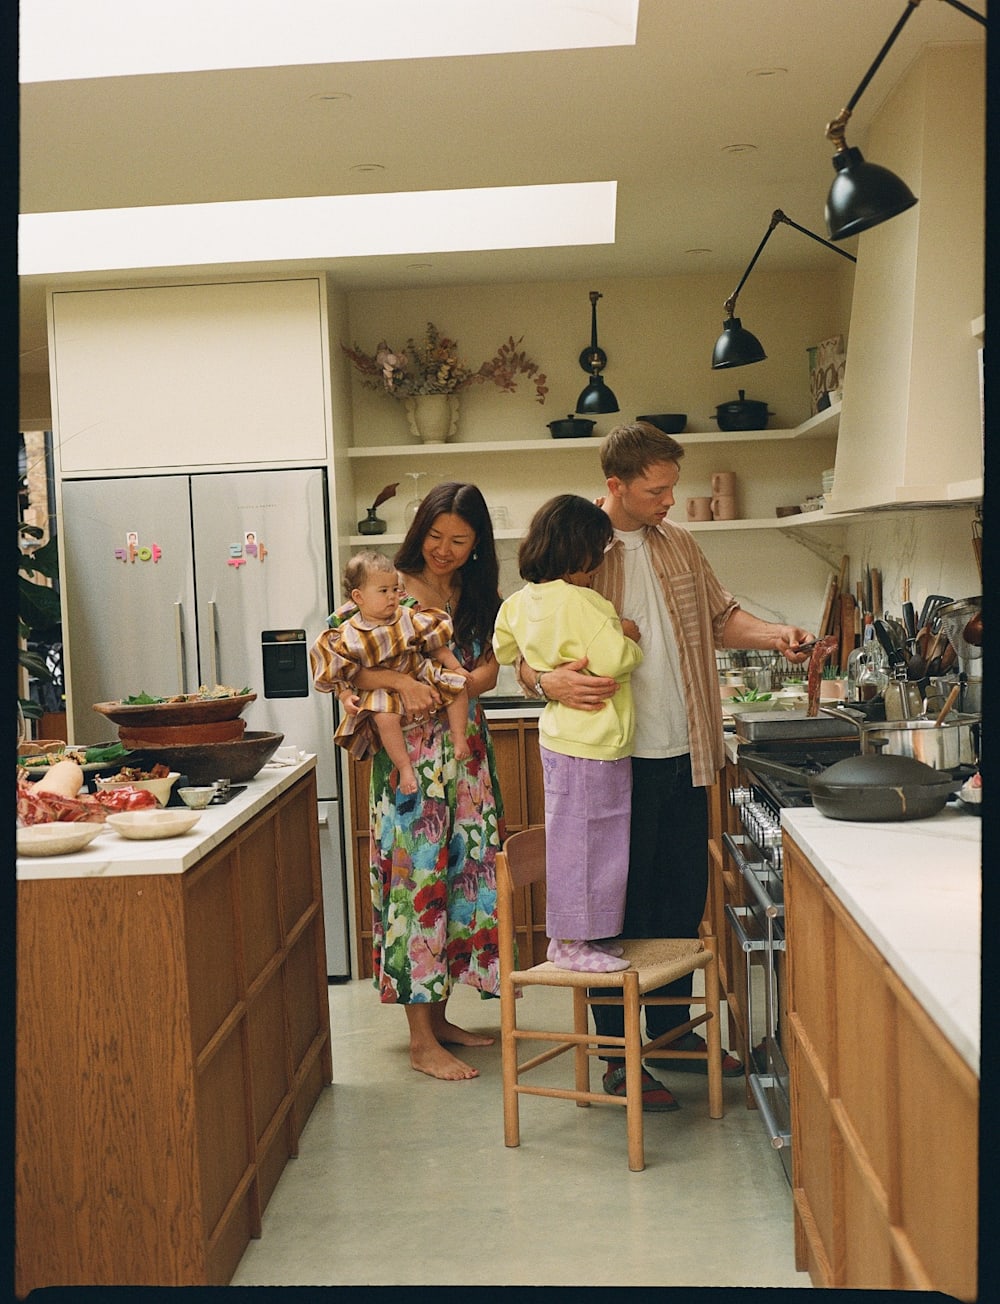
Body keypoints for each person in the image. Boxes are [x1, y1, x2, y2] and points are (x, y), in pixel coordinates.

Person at [518, 422, 814, 1111]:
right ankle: (622, 1060)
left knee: (679, 903)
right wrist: (546, 682)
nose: (670, 501)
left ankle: (673, 1035)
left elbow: (720, 619)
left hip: (685, 750)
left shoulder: (678, 542)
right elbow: (527, 647)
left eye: (673, 487)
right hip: (609, 759)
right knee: (613, 913)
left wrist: (777, 634)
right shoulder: (577, 547)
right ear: (615, 485)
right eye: (656, 490)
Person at [311, 482, 505, 1082]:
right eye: (435, 536)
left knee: (459, 880)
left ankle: (441, 1019)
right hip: (410, 760)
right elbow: (336, 661)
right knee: (415, 885)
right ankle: (420, 1040)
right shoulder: (383, 587)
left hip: (467, 754)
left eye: (459, 540)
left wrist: (462, 683)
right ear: (419, 531)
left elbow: (491, 664)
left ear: (477, 546)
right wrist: (400, 684)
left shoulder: (476, 594)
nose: (444, 550)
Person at [493, 494, 643, 973]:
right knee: (591, 843)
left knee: (578, 838)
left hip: (561, 738)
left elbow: (502, 650)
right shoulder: (586, 602)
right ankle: (569, 942)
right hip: (594, 739)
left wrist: (540, 663)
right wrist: (630, 636)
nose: (599, 563)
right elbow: (617, 660)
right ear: (581, 552)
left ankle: (586, 934)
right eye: (597, 552)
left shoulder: (519, 602)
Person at [318, 549, 471, 793]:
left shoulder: (408, 615)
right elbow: (341, 672)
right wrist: (346, 697)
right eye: (383, 591)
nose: (392, 597)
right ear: (358, 597)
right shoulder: (347, 633)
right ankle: (404, 768)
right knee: (384, 718)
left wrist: (456, 668)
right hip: (382, 690)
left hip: (419, 671)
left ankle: (459, 735)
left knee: (457, 686)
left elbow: (436, 646)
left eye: (395, 590)